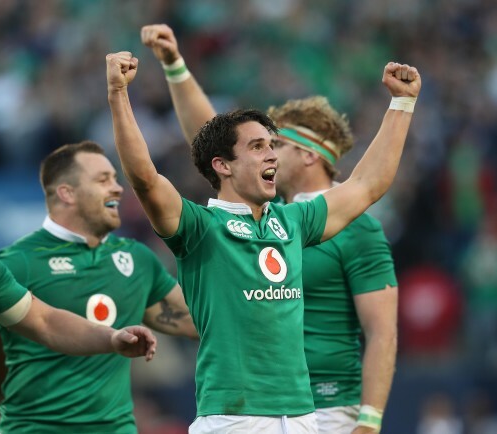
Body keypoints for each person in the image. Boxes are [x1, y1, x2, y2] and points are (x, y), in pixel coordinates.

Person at [106, 40, 420, 434]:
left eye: (274, 146)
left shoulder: (293, 222)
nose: (272, 155)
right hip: (235, 418)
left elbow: (368, 184)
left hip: (304, 417)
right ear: (222, 166)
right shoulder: (199, 228)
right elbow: (145, 178)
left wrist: (402, 104)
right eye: (259, 147)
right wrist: (118, 94)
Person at [0, 141, 198, 434]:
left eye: (115, 179)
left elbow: (198, 319)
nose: (117, 188)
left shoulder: (136, 259)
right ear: (67, 193)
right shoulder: (19, 262)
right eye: (103, 180)